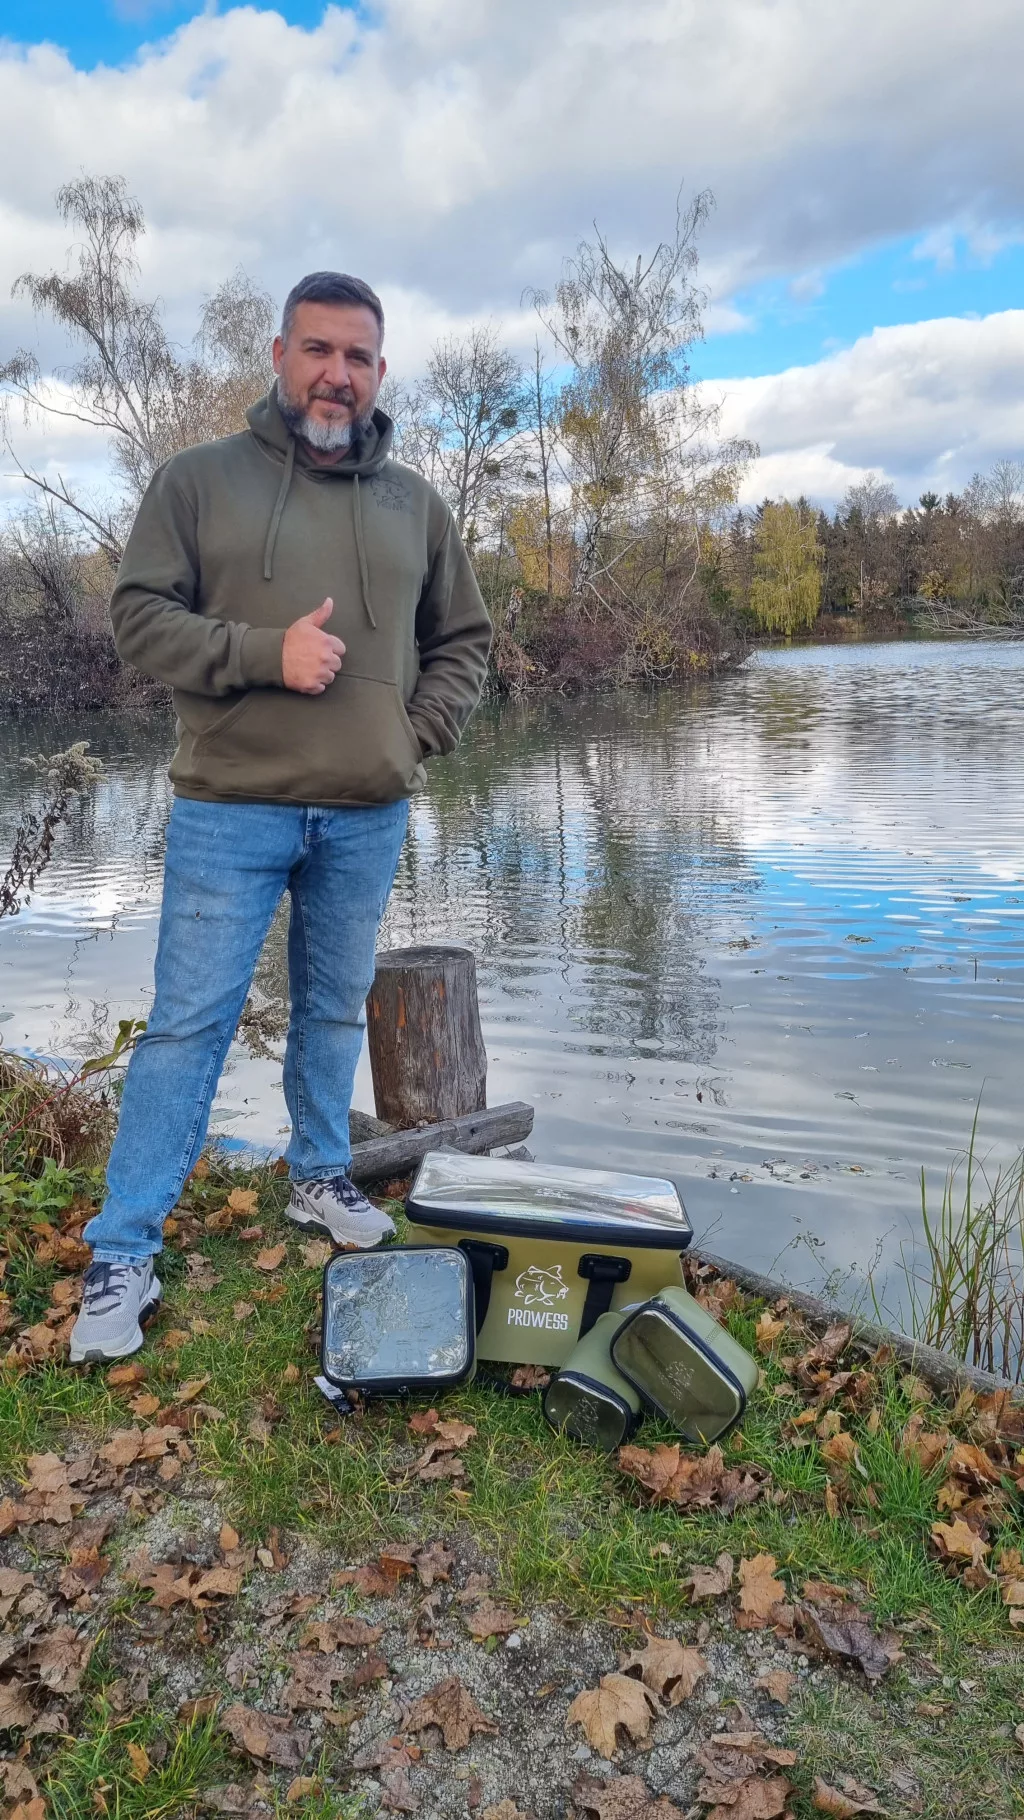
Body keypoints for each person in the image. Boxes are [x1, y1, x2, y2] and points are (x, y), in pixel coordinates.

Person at [70, 271, 492, 1364]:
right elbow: (137, 619)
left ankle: (318, 1174)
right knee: (187, 1026)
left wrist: (412, 734)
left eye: (357, 356)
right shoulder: (198, 481)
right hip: (230, 807)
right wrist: (267, 653)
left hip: (365, 812)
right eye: (317, 349)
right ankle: (124, 1248)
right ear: (278, 355)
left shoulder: (415, 504)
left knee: (334, 1011)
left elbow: (464, 640)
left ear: (380, 371)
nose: (336, 374)